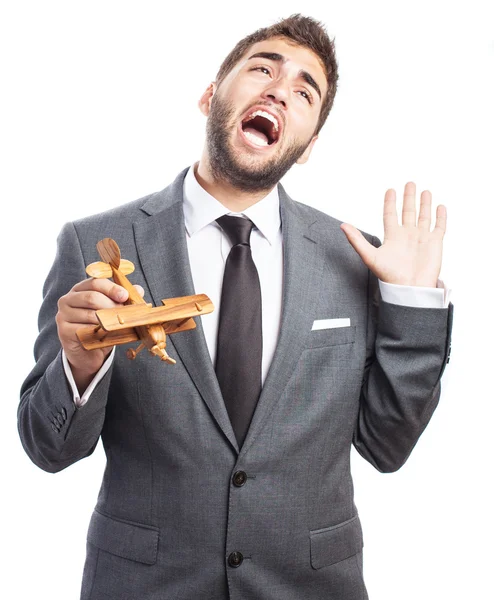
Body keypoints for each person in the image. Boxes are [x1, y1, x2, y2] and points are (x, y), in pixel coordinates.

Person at [18, 14, 453, 600]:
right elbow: (49, 450)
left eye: (305, 92)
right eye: (262, 69)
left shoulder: (355, 260)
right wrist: (80, 365)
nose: (280, 89)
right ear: (209, 96)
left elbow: (387, 447)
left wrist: (410, 304)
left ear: (307, 147)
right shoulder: (92, 242)